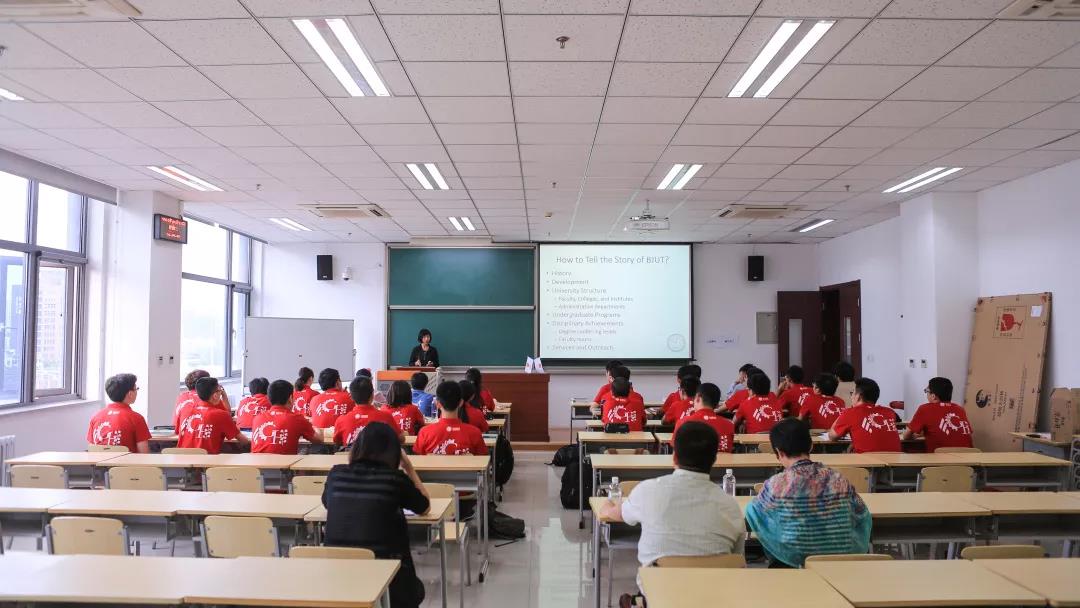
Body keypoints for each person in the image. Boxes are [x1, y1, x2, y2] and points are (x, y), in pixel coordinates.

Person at [599, 422, 744, 607]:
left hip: (660, 597)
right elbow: (736, 558)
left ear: (674, 456)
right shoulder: (731, 506)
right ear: (714, 459)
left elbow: (616, 514)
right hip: (715, 598)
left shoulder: (648, 490)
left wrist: (607, 505)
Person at [323, 423, 430, 608]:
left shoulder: (336, 475)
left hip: (338, 581)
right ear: (394, 453)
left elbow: (328, 503)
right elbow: (424, 506)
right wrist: (409, 468)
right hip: (389, 583)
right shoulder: (395, 479)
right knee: (416, 590)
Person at [745, 418, 871, 568]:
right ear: (811, 446)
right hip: (839, 565)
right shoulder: (838, 479)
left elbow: (753, 513)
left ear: (778, 452)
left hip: (792, 565)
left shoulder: (776, 484)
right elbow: (862, 514)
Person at [413, 381, 489, 455]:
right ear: (461, 403)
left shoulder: (424, 433)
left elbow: (418, 459)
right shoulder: (475, 433)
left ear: (437, 404)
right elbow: (483, 459)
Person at [177, 377, 249, 454]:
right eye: (220, 391)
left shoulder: (184, 411)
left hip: (181, 457)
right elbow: (243, 441)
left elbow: (177, 432)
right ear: (215, 395)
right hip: (207, 459)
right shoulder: (221, 415)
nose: (221, 393)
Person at [828, 377, 901, 453]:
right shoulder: (889, 412)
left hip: (867, 459)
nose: (851, 396)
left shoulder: (851, 413)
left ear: (858, 396)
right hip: (895, 458)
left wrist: (845, 413)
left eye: (852, 393)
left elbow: (832, 437)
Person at [902, 377, 974, 453]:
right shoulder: (960, 409)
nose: (926, 394)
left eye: (926, 391)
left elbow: (906, 436)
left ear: (934, 396)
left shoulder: (925, 409)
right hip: (969, 457)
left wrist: (915, 435)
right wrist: (923, 434)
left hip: (941, 458)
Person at [251, 379, 323, 454]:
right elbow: (319, 440)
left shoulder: (257, 418)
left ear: (269, 398)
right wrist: (314, 423)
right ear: (290, 398)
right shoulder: (297, 419)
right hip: (284, 462)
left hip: (256, 461)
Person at [87, 373, 151, 454]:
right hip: (127, 462)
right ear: (130, 394)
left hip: (99, 462)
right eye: (136, 389)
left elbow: (92, 449)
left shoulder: (95, 417)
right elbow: (144, 453)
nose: (137, 392)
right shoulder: (137, 418)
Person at [333, 376, 400, 447]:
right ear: (372, 395)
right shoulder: (386, 417)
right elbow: (400, 438)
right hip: (379, 454)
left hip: (352, 454)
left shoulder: (341, 420)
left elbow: (337, 441)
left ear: (351, 397)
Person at [672, 382, 735, 453]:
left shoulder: (683, 423)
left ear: (698, 399)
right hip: (720, 460)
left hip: (692, 460)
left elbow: (676, 453)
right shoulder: (729, 425)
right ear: (717, 404)